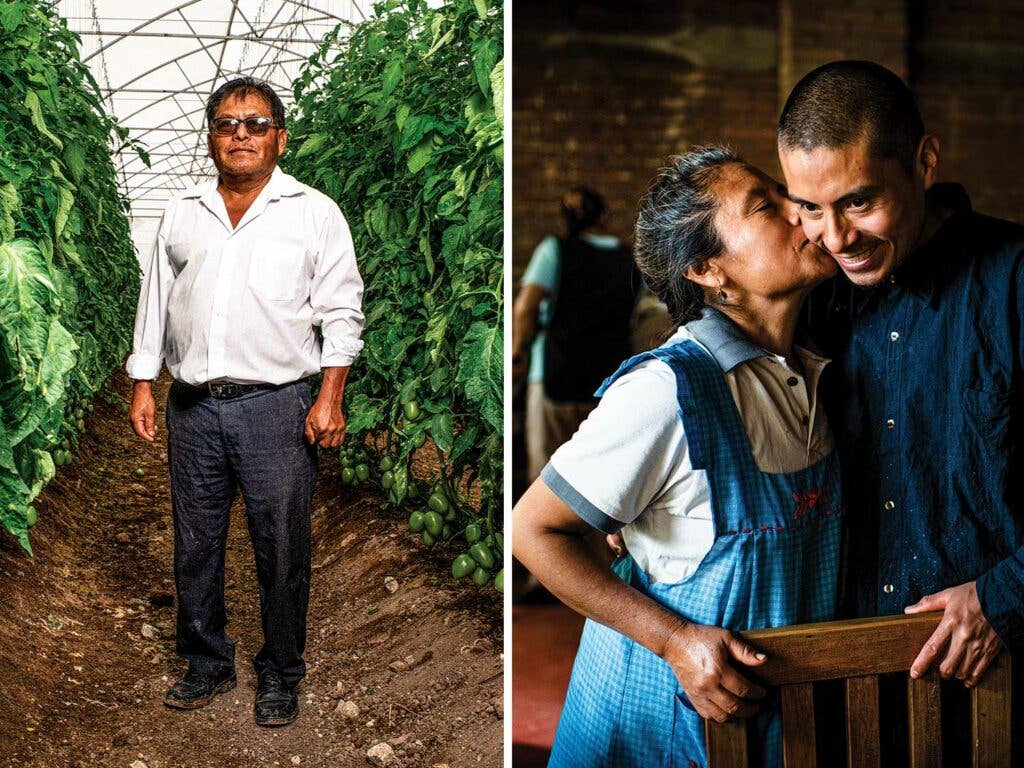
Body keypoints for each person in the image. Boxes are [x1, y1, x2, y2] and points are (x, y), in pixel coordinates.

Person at [513, 147, 842, 767]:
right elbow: (533, 530)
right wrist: (674, 640)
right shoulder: (667, 391)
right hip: (660, 730)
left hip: (764, 733)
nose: (803, 212)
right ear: (709, 269)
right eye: (766, 207)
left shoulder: (817, 372)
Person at [778, 61, 1023, 697]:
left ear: (924, 162)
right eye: (809, 207)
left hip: (998, 681)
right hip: (849, 684)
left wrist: (1003, 597)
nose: (836, 238)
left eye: (859, 201)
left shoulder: (1016, 282)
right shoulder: (815, 302)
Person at [125, 76, 364, 727]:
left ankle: (280, 672)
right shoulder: (182, 210)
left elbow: (342, 309)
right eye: (228, 123)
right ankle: (205, 662)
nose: (241, 135)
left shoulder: (313, 212)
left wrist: (331, 397)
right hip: (193, 407)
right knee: (196, 543)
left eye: (256, 123)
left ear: (279, 137)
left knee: (280, 546)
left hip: (277, 408)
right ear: (211, 136)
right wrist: (145, 381)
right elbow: (156, 301)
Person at [512, 187, 640, 483]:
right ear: (604, 216)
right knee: (599, 479)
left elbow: (526, 307)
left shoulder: (555, 249)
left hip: (555, 375)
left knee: (545, 476)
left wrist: (519, 350)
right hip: (608, 381)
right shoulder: (629, 259)